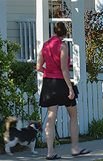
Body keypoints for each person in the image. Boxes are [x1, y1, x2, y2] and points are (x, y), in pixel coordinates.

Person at [36, 22, 90, 160]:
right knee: (73, 115)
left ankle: (50, 152)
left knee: (50, 116)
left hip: (49, 83)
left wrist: (48, 72)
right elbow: (64, 69)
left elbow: (38, 67)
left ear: (54, 32)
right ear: (65, 34)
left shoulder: (46, 45)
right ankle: (75, 148)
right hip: (61, 83)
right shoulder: (63, 46)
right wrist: (70, 88)